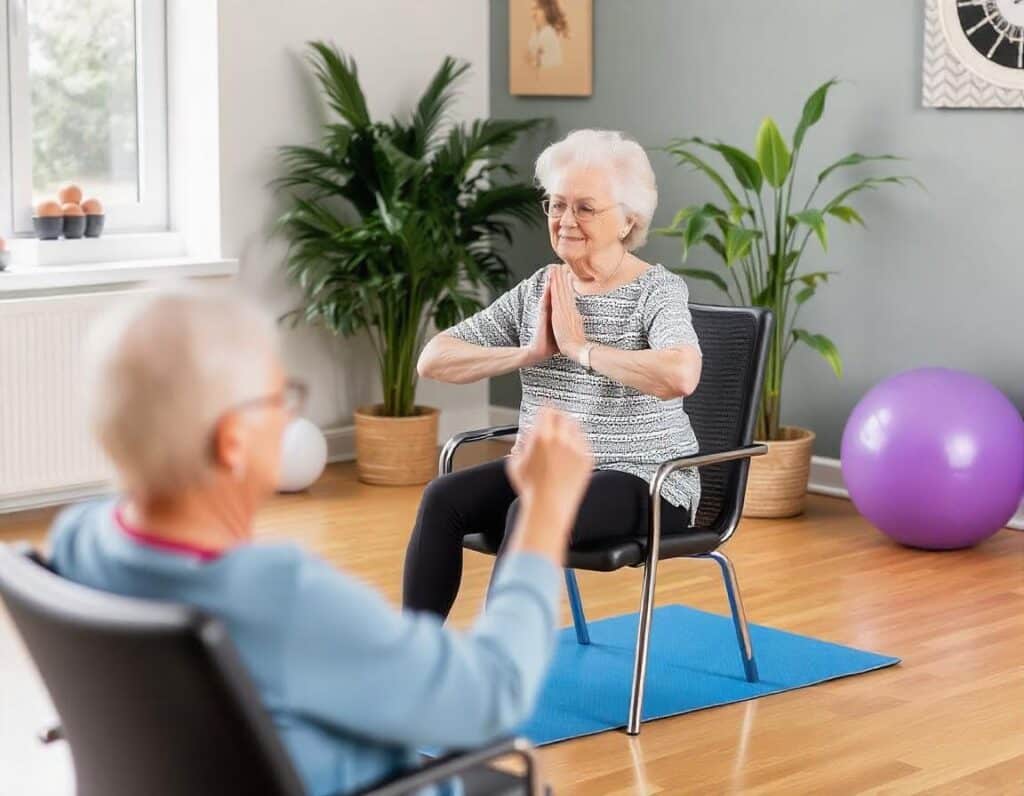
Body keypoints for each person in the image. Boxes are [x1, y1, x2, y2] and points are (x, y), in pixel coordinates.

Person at [47, 285, 594, 796]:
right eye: (279, 398)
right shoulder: (282, 599)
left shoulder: (79, 539)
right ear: (233, 442)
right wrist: (544, 511)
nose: (289, 416)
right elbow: (494, 694)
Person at [405, 129, 703, 620]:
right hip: (549, 467)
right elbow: (434, 358)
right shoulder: (541, 289)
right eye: (556, 204)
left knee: (534, 508)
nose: (565, 221)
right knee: (444, 498)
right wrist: (529, 353)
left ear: (628, 221)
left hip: (647, 481)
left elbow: (681, 374)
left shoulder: (658, 291)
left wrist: (582, 349)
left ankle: (497, 672)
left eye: (585, 208)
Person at [526, 0, 568, 69]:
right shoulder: (536, 33)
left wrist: (533, 61)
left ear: (547, 11)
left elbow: (548, 66)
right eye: (533, 9)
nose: (534, 14)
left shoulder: (549, 35)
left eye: (538, 9)